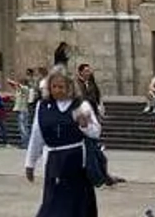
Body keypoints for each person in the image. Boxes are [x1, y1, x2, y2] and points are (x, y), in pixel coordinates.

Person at [25, 67, 101, 217]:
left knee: (76, 207)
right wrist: (30, 163)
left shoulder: (80, 105)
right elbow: (37, 135)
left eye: (61, 87)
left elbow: (96, 131)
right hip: (53, 162)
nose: (57, 90)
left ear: (69, 87)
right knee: (52, 206)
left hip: (76, 162)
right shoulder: (43, 106)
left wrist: (84, 125)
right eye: (54, 86)